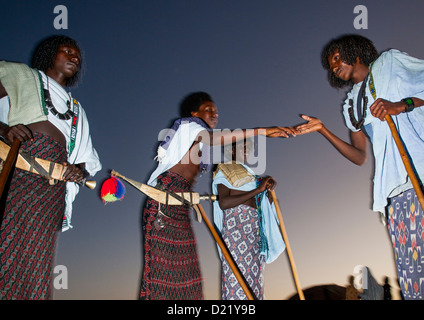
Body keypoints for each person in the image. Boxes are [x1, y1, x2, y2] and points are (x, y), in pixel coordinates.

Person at [296, 34, 424, 300]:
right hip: (393, 192)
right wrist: (323, 130)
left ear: (354, 54)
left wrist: (402, 105)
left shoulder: (389, 63)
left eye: (336, 58)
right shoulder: (352, 105)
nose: (333, 66)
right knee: (412, 273)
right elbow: (359, 156)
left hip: (419, 173)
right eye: (330, 65)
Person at [139, 91, 296, 300]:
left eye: (216, 111)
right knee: (163, 280)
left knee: (188, 282)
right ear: (195, 113)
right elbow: (212, 139)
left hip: (179, 204)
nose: (215, 114)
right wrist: (262, 131)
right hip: (163, 200)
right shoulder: (188, 126)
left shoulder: (201, 147)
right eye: (209, 109)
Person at [0, 35, 101, 299]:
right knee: (7, 246)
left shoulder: (77, 109)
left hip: (52, 188)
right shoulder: (20, 74)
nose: (74, 57)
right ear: (49, 55)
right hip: (18, 167)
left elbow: (85, 159)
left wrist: (78, 171)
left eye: (77, 54)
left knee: (37, 263)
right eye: (67, 51)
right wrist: (6, 130)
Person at [212, 138, 285, 300]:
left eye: (248, 148)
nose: (246, 151)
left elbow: (261, 202)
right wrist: (258, 189)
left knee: (255, 285)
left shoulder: (252, 176)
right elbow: (224, 203)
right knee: (236, 279)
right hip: (236, 230)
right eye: (241, 147)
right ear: (231, 150)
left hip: (254, 231)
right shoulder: (225, 169)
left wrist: (267, 193)